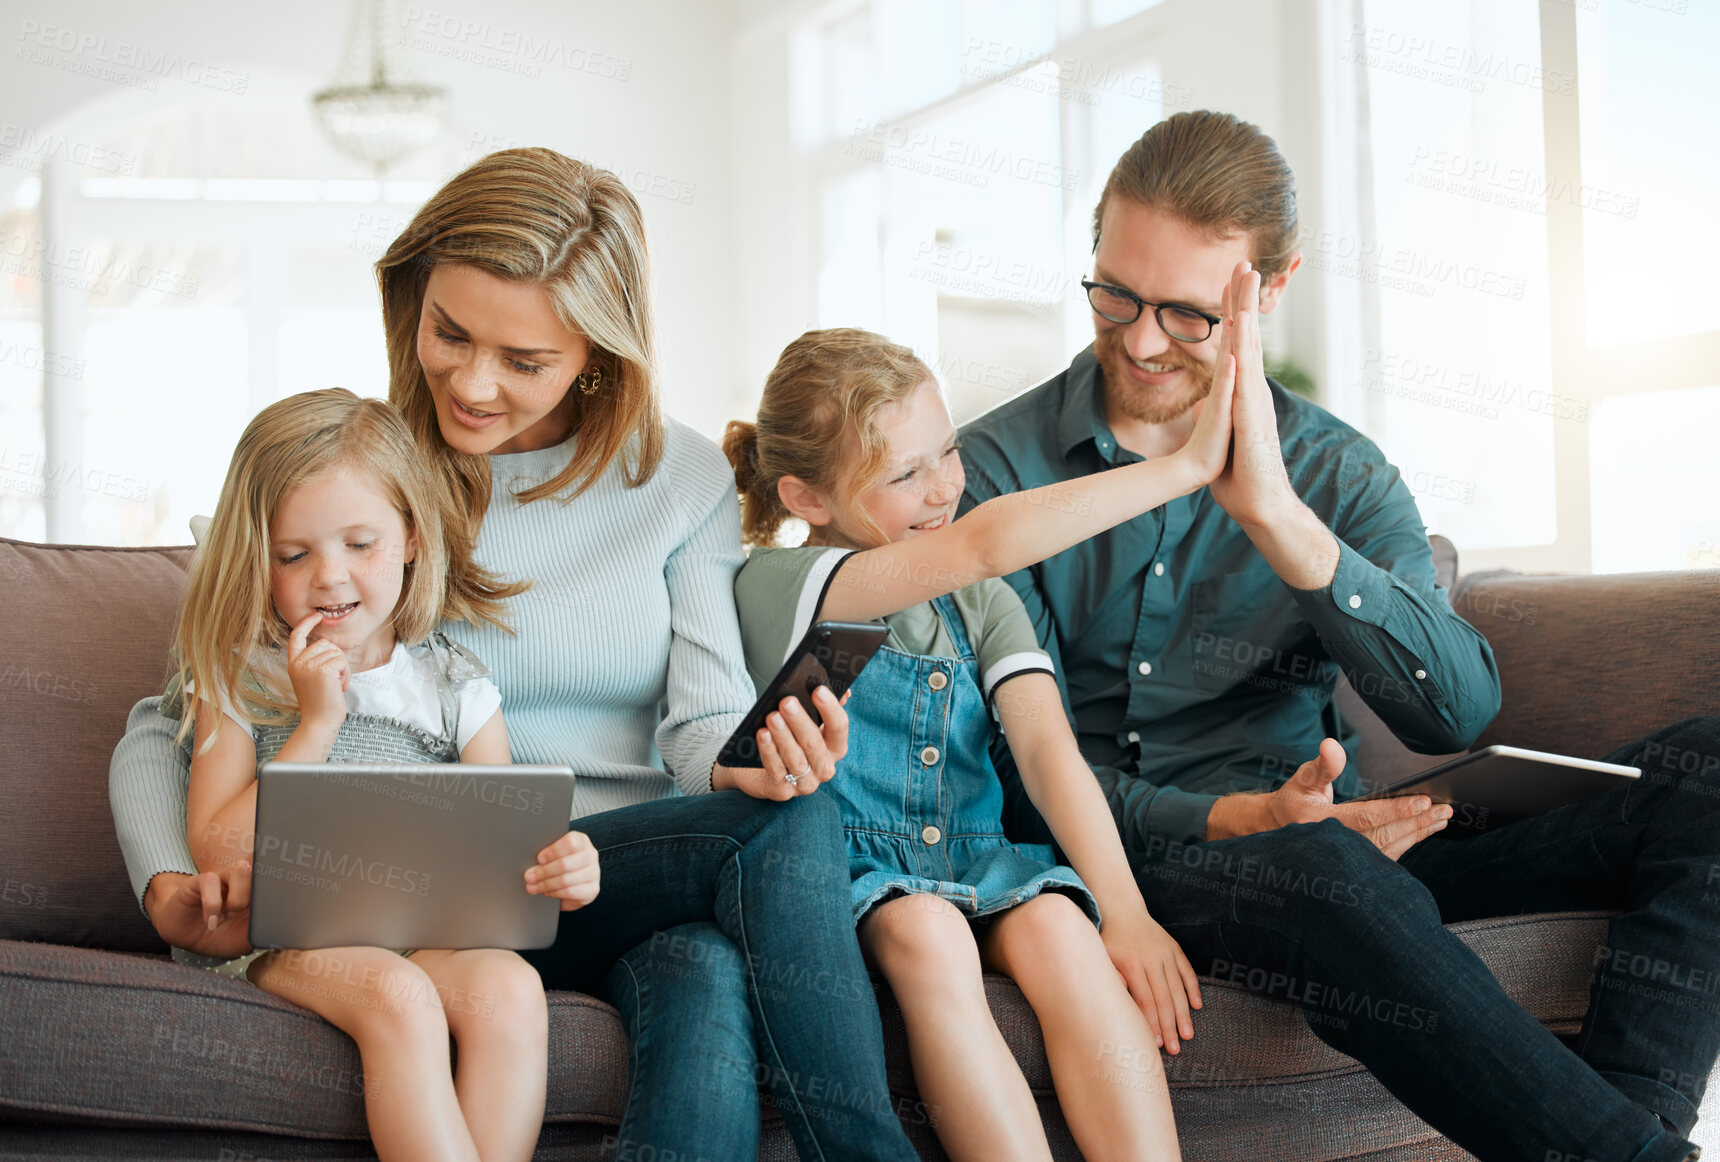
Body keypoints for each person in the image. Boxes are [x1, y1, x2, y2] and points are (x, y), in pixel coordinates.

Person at [109, 148, 918, 1162]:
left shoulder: (683, 481)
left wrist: (747, 759)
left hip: (605, 871)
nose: (473, 383)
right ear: (412, 298)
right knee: (734, 911)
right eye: (449, 332)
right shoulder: (364, 480)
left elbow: (699, 723)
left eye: (523, 362)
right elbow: (177, 705)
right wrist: (173, 881)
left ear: (596, 353)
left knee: (722, 925)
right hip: (453, 882)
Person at [957, 109, 1714, 1162]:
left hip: (1346, 850)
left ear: (1269, 290)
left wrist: (1278, 519)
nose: (1137, 338)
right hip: (1131, 861)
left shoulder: (1337, 473)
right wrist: (1226, 819)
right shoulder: (992, 474)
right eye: (1116, 294)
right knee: (1325, 870)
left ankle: (1628, 1128)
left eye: (1185, 313)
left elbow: (1457, 706)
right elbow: (1007, 764)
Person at [722, 326, 1240, 1160]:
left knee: (1062, 930)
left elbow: (1047, 752)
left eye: (948, 454)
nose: (942, 490)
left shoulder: (979, 602)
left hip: (974, 851)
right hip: (851, 868)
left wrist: (1130, 914)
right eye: (904, 474)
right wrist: (1183, 468)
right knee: (928, 931)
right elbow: (982, 541)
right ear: (806, 500)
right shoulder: (784, 584)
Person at [169, 388, 553, 1161]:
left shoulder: (455, 684)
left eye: (359, 544)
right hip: (277, 940)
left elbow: (504, 855)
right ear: (259, 558)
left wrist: (560, 863)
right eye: (294, 554)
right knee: (396, 995)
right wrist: (316, 725)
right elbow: (216, 850)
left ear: (410, 538)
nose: (329, 578)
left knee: (511, 987)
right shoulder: (239, 676)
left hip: (420, 934)